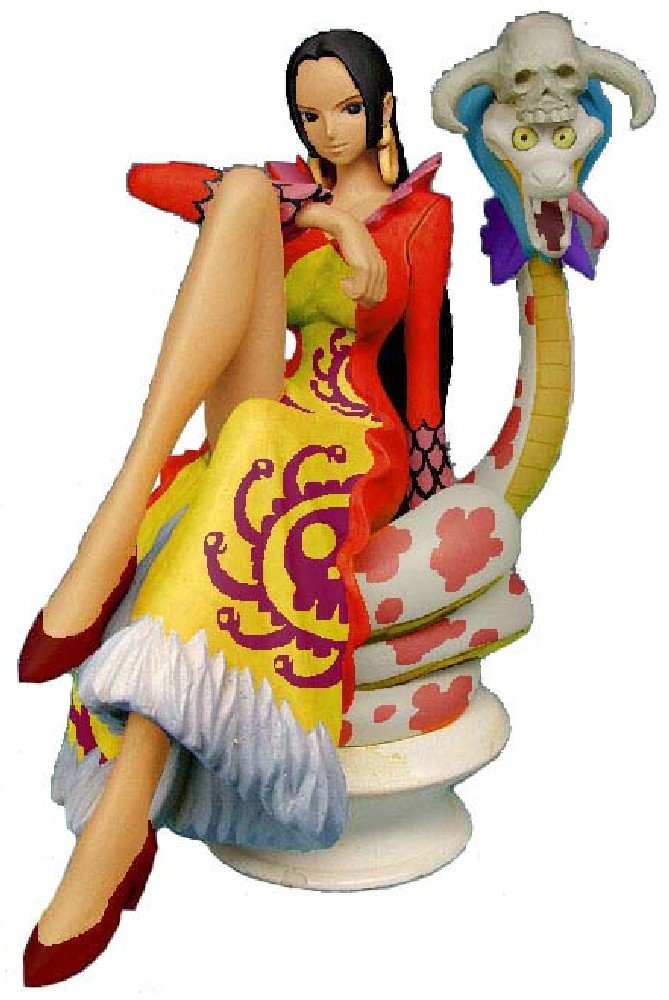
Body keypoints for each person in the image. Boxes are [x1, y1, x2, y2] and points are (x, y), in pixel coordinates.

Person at [18, 28, 459, 986]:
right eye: (309, 113)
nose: (328, 130)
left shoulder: (426, 214)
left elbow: (421, 368)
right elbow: (148, 179)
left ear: (384, 107)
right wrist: (323, 214)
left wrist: (434, 489)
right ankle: (129, 492)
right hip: (272, 400)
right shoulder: (285, 198)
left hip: (355, 438)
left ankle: (121, 815)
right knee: (246, 192)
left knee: (239, 464)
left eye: (348, 108)